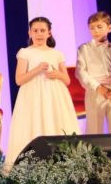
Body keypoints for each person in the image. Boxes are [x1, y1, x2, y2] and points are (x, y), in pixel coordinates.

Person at [6, 17, 80, 166]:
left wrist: (57, 74)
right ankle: (31, 163)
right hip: (32, 95)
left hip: (55, 96)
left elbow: (67, 80)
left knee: (55, 123)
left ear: (49, 33)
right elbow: (19, 80)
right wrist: (37, 69)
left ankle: (61, 162)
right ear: (30, 33)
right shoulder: (25, 52)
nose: (39, 34)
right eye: (35, 30)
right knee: (34, 124)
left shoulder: (56, 53)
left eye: (42, 30)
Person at [75, 11, 111, 134]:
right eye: (92, 28)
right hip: (95, 91)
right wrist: (98, 87)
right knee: (94, 128)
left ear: (109, 28)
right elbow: (81, 72)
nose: (96, 31)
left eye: (99, 27)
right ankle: (93, 153)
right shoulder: (84, 49)